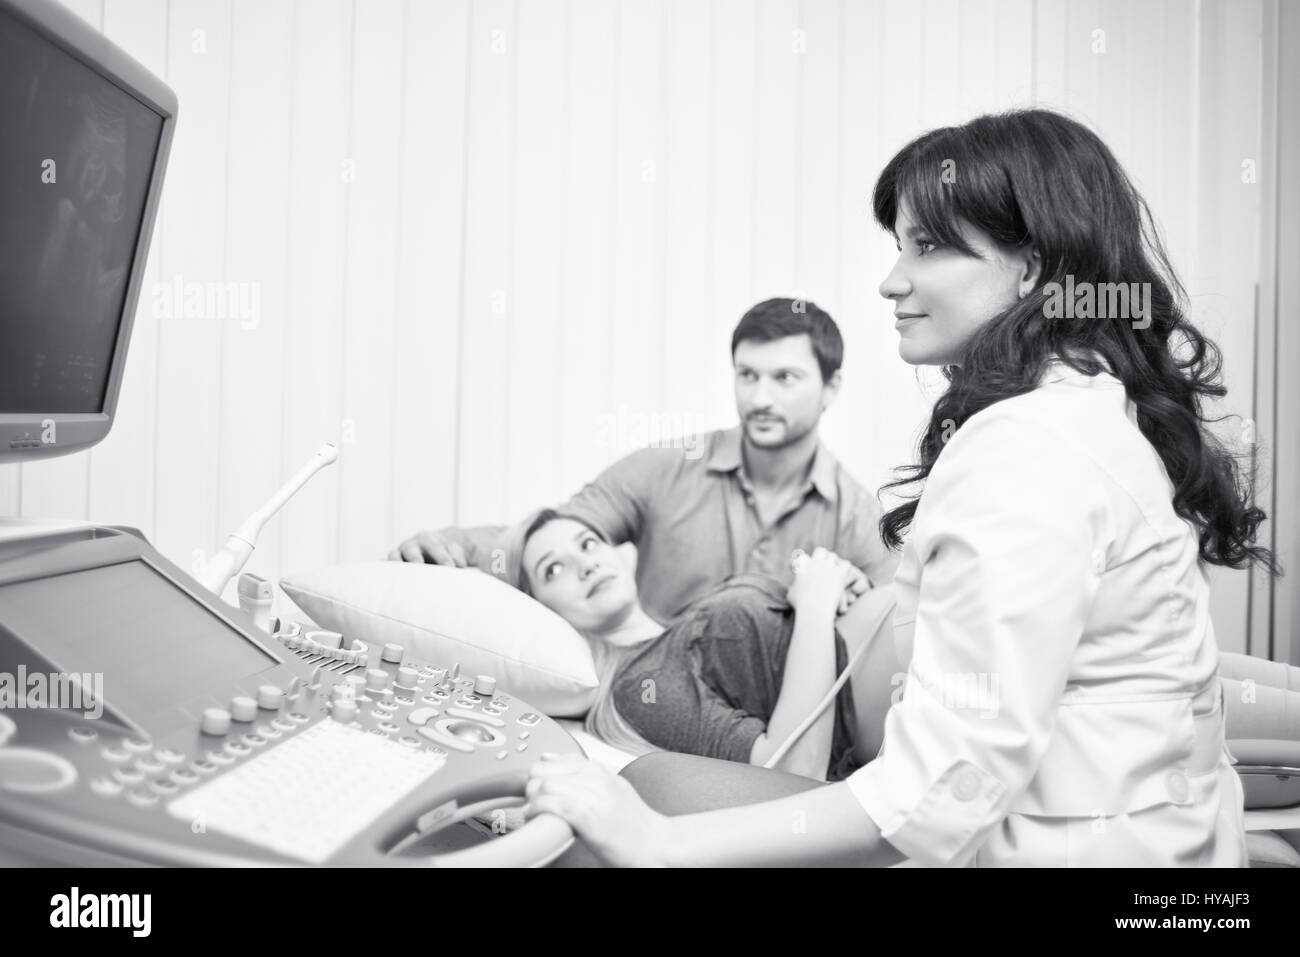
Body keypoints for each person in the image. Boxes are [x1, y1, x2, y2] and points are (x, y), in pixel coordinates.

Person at [520, 108, 1284, 867]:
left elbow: (941, 785)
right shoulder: (1082, 414)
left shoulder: (1019, 450)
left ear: (1034, 269)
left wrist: (663, 843)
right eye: (747, 376)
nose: (891, 281)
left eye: (928, 247)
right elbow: (555, 525)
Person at [389, 299, 899, 624]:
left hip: (769, 731)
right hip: (650, 697)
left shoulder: (857, 519)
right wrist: (452, 548)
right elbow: (559, 534)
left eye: (784, 378)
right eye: (747, 375)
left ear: (831, 388)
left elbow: (891, 638)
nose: (760, 397)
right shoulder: (668, 466)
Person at [507, 508, 899, 780]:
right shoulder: (640, 686)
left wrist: (836, 585)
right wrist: (815, 605)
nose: (585, 564)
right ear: (542, 611)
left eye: (588, 543)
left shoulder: (681, 624)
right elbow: (791, 769)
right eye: (553, 569)